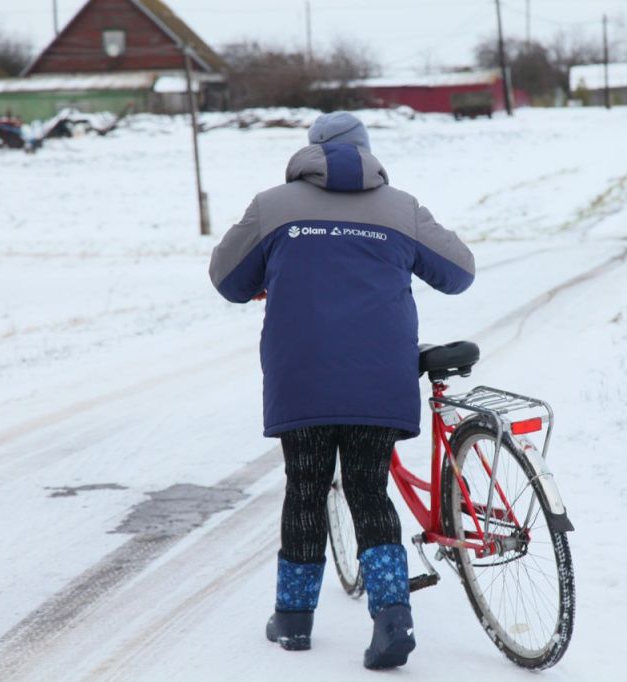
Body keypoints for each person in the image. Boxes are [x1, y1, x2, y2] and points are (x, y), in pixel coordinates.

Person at [208, 112, 475, 669]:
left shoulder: (273, 206)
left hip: (300, 375)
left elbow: (227, 280)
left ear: (309, 152)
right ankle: (392, 618)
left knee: (305, 487)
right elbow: (459, 272)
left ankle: (294, 620)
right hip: (380, 375)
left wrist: (274, 273)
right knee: (368, 490)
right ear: (368, 152)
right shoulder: (401, 207)